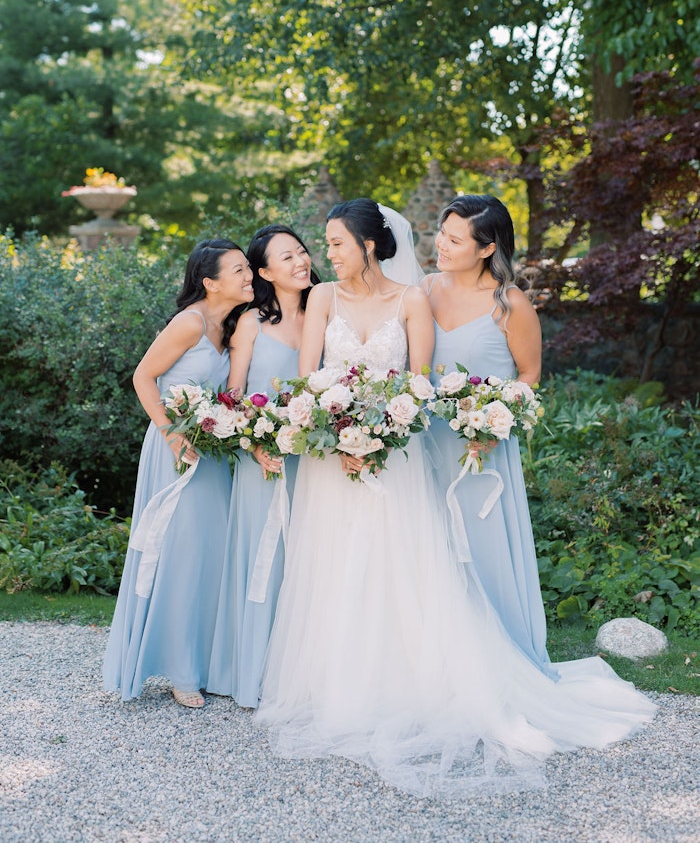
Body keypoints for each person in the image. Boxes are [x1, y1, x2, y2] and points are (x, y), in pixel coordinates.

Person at [255, 199, 655, 798]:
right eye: (439, 236)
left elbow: (425, 385)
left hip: (413, 451)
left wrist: (390, 433)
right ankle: (338, 684)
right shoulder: (359, 295)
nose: (323, 255)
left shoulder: (453, 301)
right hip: (334, 459)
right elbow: (310, 377)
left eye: (335, 242)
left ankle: (422, 678)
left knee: (411, 564)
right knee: (333, 567)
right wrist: (331, 430)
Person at [103, 239, 254, 708]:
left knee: (209, 553)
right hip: (175, 451)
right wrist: (173, 436)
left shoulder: (228, 325)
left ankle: (204, 661)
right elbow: (143, 377)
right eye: (239, 270)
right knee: (180, 551)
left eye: (248, 267)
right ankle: (180, 670)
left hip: (212, 451)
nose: (249, 275)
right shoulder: (188, 322)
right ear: (210, 283)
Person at [422, 194, 553, 674]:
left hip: (482, 449)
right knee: (427, 542)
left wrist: (493, 425)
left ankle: (499, 658)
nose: (442, 244)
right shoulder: (424, 289)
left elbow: (530, 375)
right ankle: (438, 661)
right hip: (425, 443)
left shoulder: (510, 303)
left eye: (455, 239)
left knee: (481, 546)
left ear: (486, 247)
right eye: (442, 233)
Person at [208, 225, 318, 707]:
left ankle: (301, 674)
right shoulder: (251, 321)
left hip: (314, 459)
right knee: (261, 555)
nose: (300, 261)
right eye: (285, 257)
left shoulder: (325, 311)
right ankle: (249, 670)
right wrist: (255, 442)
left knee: (310, 558)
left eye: (302, 251)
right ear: (265, 272)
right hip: (263, 457)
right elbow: (231, 393)